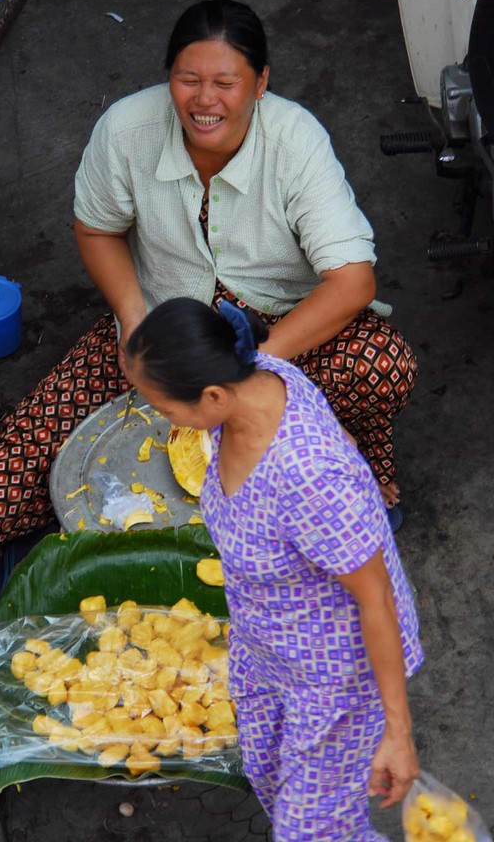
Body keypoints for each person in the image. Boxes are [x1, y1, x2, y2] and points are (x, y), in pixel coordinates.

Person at [0, 0, 417, 554]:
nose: (205, 100)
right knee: (51, 425)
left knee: (382, 364)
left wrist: (257, 368)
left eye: (226, 82)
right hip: (170, 327)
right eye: (188, 79)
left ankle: (355, 468)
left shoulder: (295, 142)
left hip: (283, 331)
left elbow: (353, 283)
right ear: (169, 78)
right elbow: (97, 230)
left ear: (260, 83)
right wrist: (133, 320)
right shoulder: (127, 130)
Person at [126, 296, 423, 842]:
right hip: (267, 646)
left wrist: (397, 732)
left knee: (309, 832)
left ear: (212, 395)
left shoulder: (307, 477)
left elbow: (375, 597)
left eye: (166, 409)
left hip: (335, 675)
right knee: (271, 782)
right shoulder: (257, 377)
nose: (164, 420)